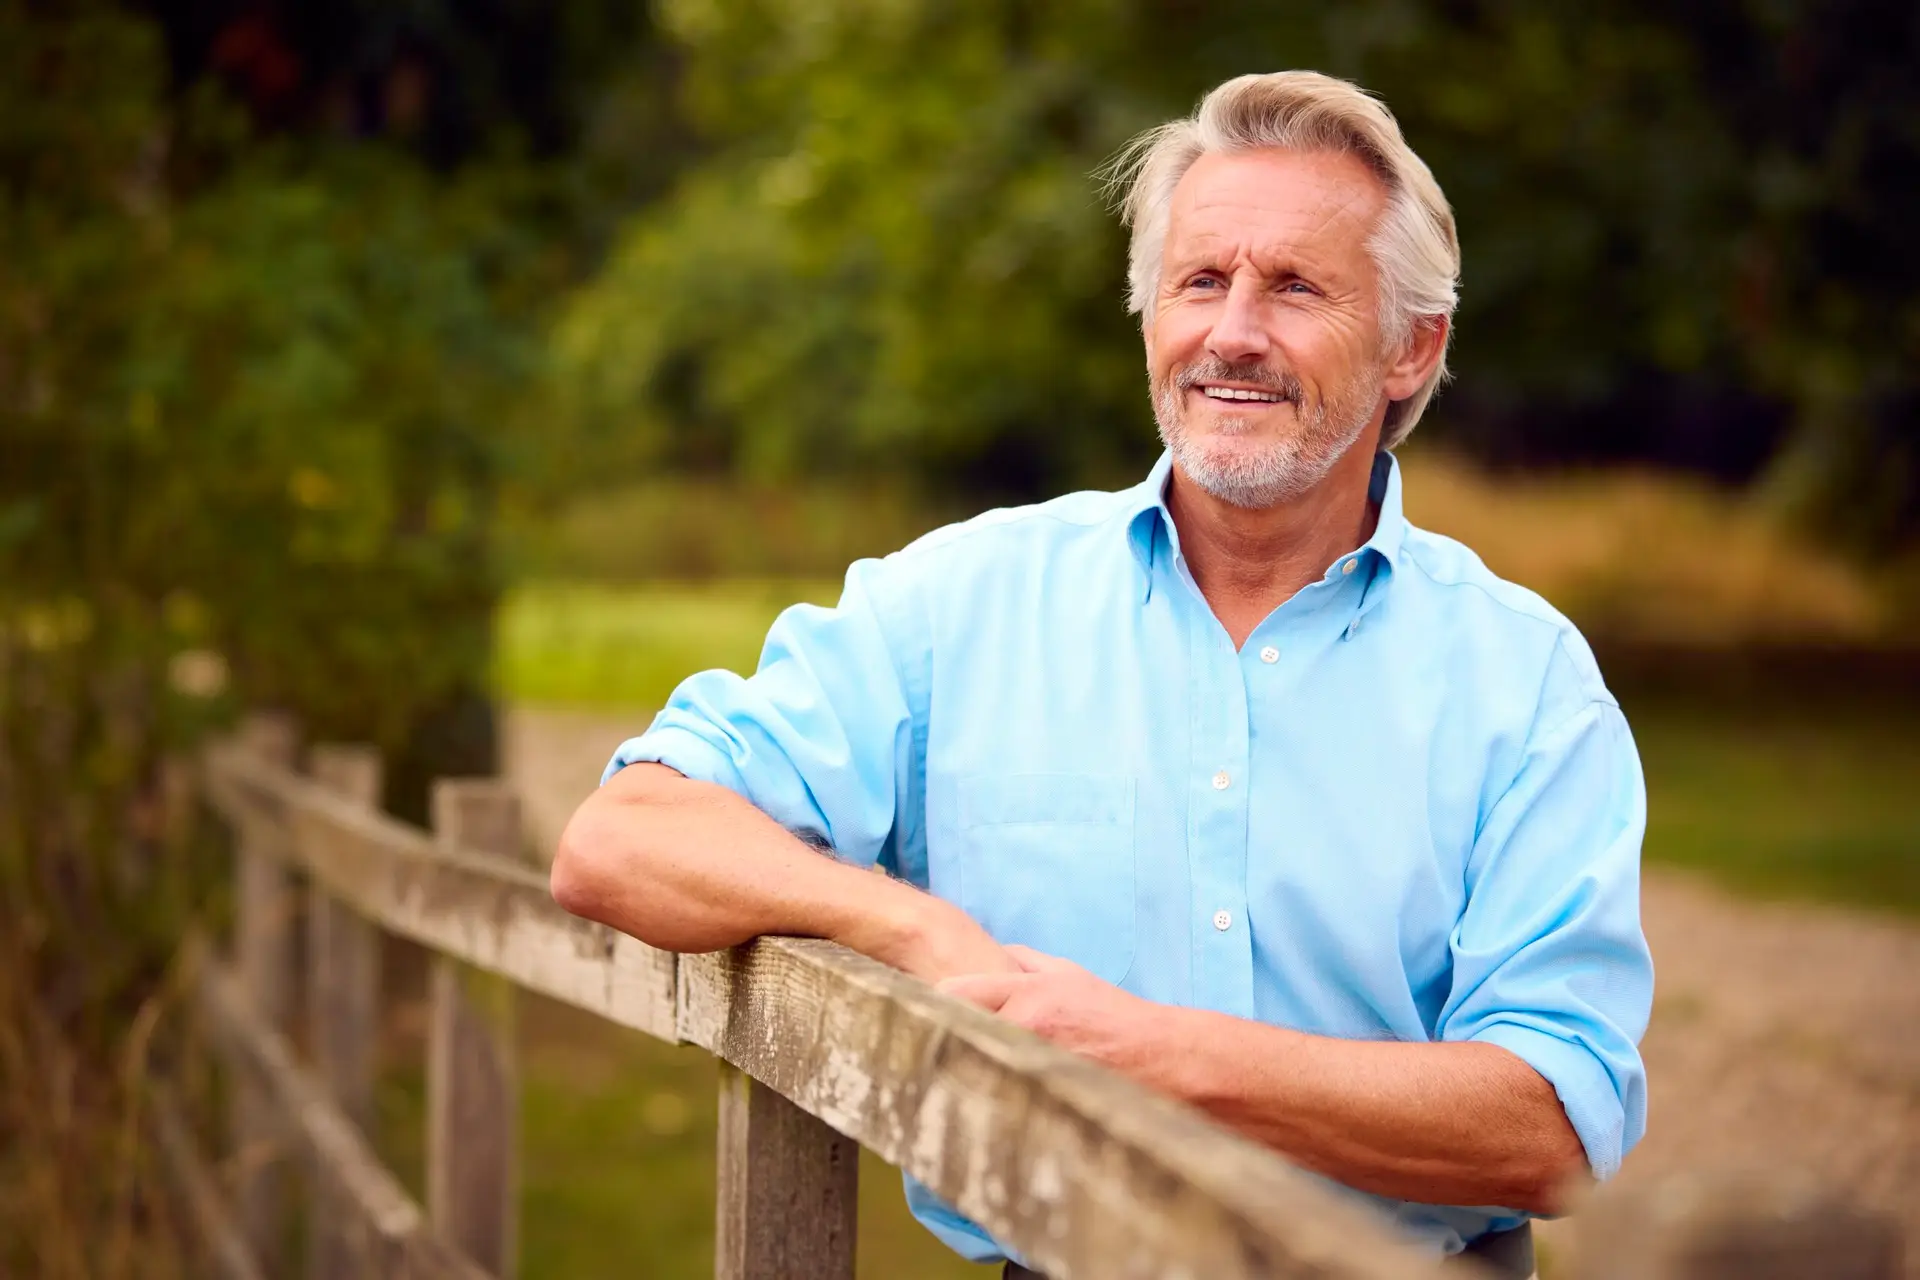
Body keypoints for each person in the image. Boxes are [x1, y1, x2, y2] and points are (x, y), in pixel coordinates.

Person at [550, 70, 1652, 1279]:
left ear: (1411, 347)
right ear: (1148, 318)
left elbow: (1554, 1123)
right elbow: (623, 838)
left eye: (1294, 286)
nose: (1233, 330)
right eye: (1200, 281)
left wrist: (1152, 1053)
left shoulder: (1524, 679)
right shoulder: (959, 603)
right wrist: (914, 927)